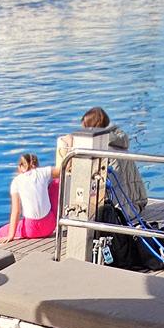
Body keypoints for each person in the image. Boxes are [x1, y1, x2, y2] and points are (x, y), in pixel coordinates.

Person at [55, 106, 152, 269]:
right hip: (137, 201)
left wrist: (68, 145)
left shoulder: (101, 150)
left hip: (121, 211)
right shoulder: (118, 141)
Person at [0, 152, 57, 244]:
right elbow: (63, 170)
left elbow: (16, 211)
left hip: (31, 229)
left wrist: (11, 235)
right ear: (37, 165)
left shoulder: (16, 181)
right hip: (50, 226)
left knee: (1, 232)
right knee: (56, 183)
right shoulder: (44, 172)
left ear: (20, 166)